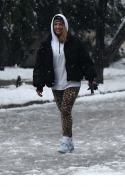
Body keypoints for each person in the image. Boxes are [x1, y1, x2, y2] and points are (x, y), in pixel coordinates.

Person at [33, 14, 96, 154]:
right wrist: (39, 84)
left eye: (60, 24)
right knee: (63, 112)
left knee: (66, 110)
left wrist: (91, 77)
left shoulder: (74, 42)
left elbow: (85, 60)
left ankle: (65, 141)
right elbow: (39, 65)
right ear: (52, 26)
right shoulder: (46, 44)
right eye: (55, 24)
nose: (58, 27)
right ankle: (70, 142)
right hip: (56, 83)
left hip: (72, 81)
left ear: (65, 26)